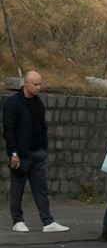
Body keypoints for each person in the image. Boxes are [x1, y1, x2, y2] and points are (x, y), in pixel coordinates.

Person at [3, 71, 69, 233]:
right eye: (35, 84)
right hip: (21, 156)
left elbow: (42, 126)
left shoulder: (38, 103)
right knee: (17, 188)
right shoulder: (13, 104)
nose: (38, 87)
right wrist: (13, 153)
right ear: (26, 84)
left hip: (37, 153)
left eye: (40, 84)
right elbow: (8, 130)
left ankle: (47, 221)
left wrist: (43, 147)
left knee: (41, 189)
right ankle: (17, 220)